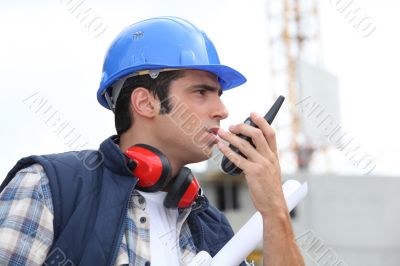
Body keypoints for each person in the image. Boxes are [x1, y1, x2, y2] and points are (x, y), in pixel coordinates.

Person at [0, 17, 304, 266]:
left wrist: (274, 210)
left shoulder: (210, 227)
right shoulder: (49, 188)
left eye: (219, 95)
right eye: (201, 92)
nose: (221, 111)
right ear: (145, 102)